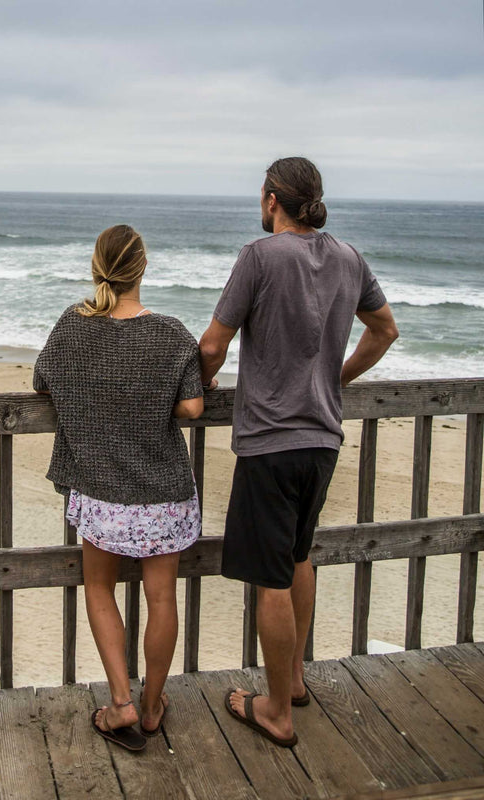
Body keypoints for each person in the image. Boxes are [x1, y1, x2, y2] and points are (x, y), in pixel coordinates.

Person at [199, 157, 399, 748]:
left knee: (271, 579)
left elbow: (213, 343)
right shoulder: (348, 256)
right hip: (323, 439)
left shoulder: (258, 258)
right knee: (298, 556)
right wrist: (336, 379)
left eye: (261, 196)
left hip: (269, 440)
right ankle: (296, 681)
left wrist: (202, 384)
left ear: (271, 200)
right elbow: (385, 328)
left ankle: (276, 712)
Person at [34, 224, 204, 751]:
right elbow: (194, 407)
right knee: (161, 598)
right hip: (164, 491)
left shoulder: (73, 326)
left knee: (100, 589)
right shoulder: (173, 334)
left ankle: (121, 701)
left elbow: (44, 380)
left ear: (97, 267)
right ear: (143, 269)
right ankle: (153, 706)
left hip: (102, 491)